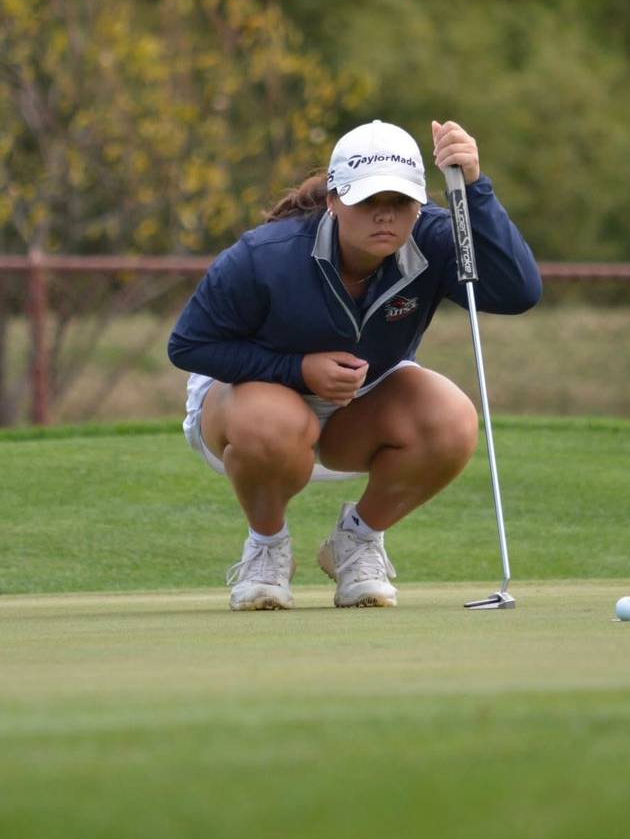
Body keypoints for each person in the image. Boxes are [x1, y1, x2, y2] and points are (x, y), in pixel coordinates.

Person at [168, 119, 541, 610]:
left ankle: (357, 541)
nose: (384, 217)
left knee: (452, 420)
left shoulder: (431, 240)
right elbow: (188, 345)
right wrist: (298, 370)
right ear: (333, 201)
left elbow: (517, 291)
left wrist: (475, 188)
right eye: (368, 202)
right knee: (273, 419)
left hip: (359, 411)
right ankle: (267, 547)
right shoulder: (265, 255)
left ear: (419, 204)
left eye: (400, 203)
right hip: (245, 414)